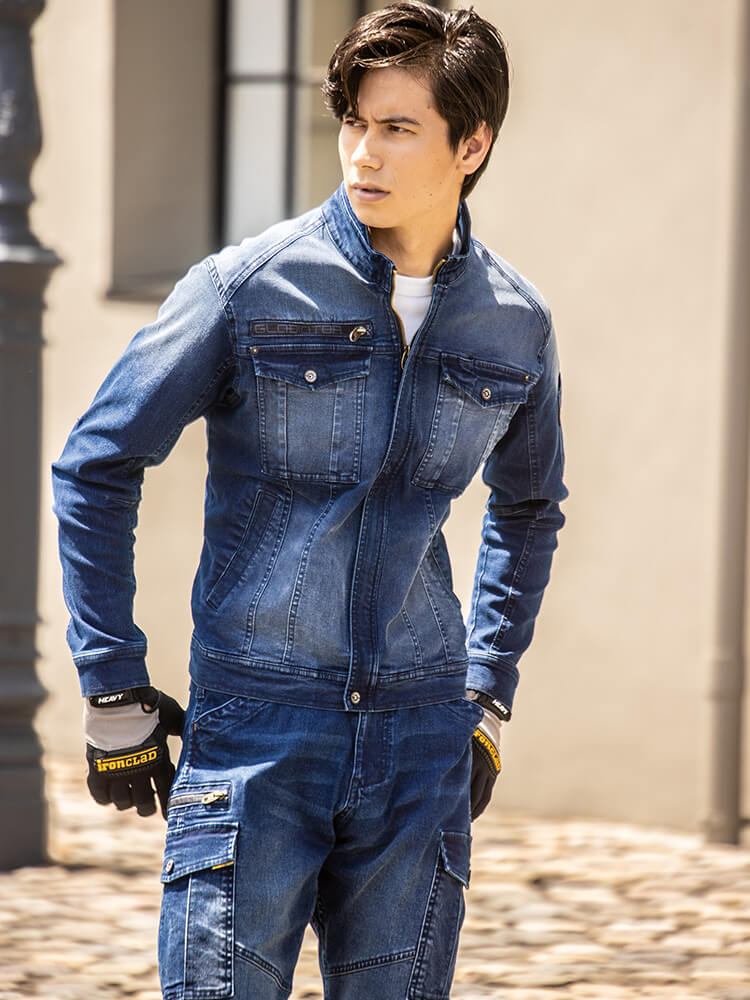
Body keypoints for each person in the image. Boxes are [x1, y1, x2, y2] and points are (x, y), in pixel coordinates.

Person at [52, 3, 566, 997]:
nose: (363, 153)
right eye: (354, 123)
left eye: (398, 127)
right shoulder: (247, 287)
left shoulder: (514, 323)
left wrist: (488, 690)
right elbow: (96, 462)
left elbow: (530, 507)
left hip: (420, 746)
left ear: (472, 144)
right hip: (256, 737)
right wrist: (112, 684)